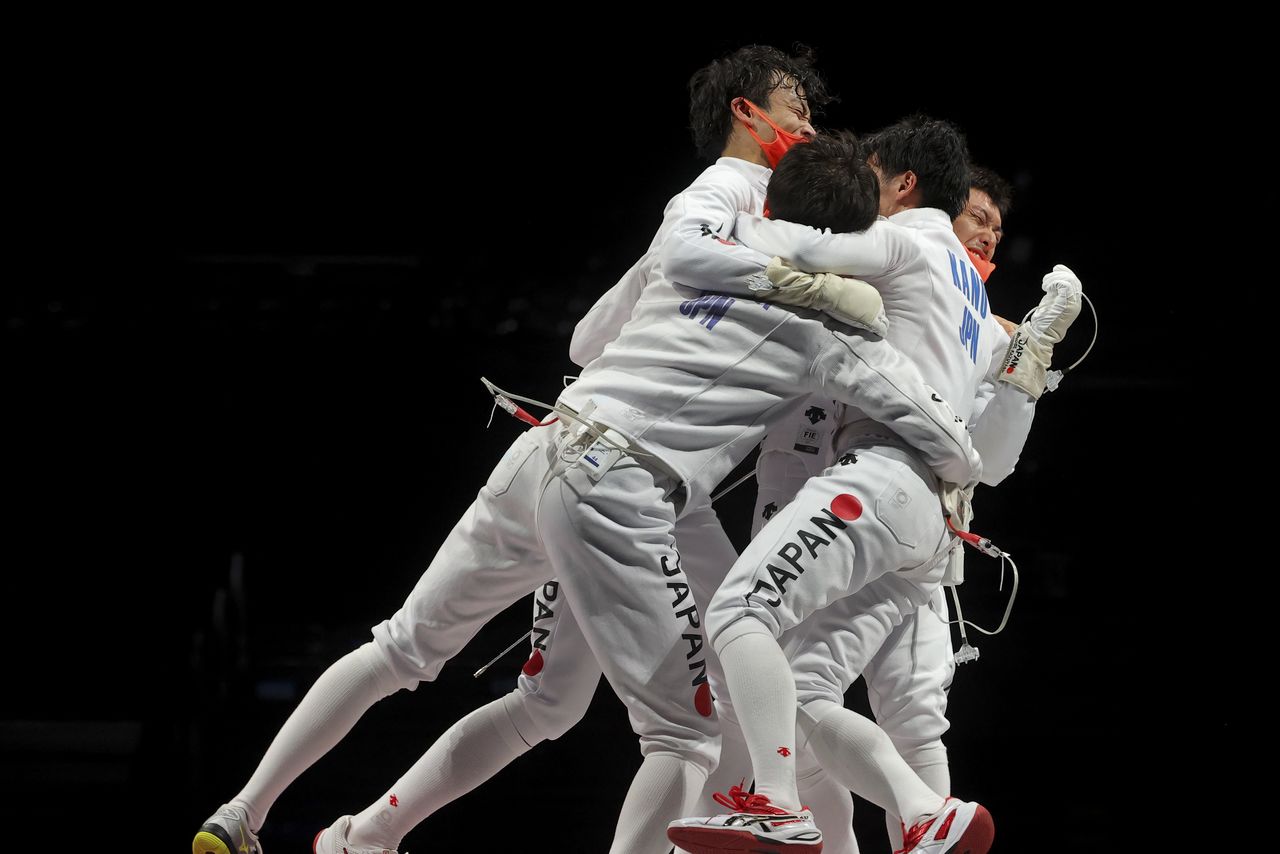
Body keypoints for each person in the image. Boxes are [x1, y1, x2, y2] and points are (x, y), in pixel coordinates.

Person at [191, 114, 980, 854]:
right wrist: (965, 453)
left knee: (441, 661)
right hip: (620, 492)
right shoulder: (830, 326)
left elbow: (587, 337)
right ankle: (841, 804)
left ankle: (275, 817)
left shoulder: (691, 249)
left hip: (549, 448)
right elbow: (939, 429)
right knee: (687, 730)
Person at [667, 116, 1077, 854]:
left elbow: (791, 245)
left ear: (904, 182)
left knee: (740, 611)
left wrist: (719, 209)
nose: (866, 190)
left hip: (881, 484)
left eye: (874, 174)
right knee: (803, 688)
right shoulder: (974, 300)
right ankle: (922, 813)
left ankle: (777, 804)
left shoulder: (904, 243)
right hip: (924, 529)